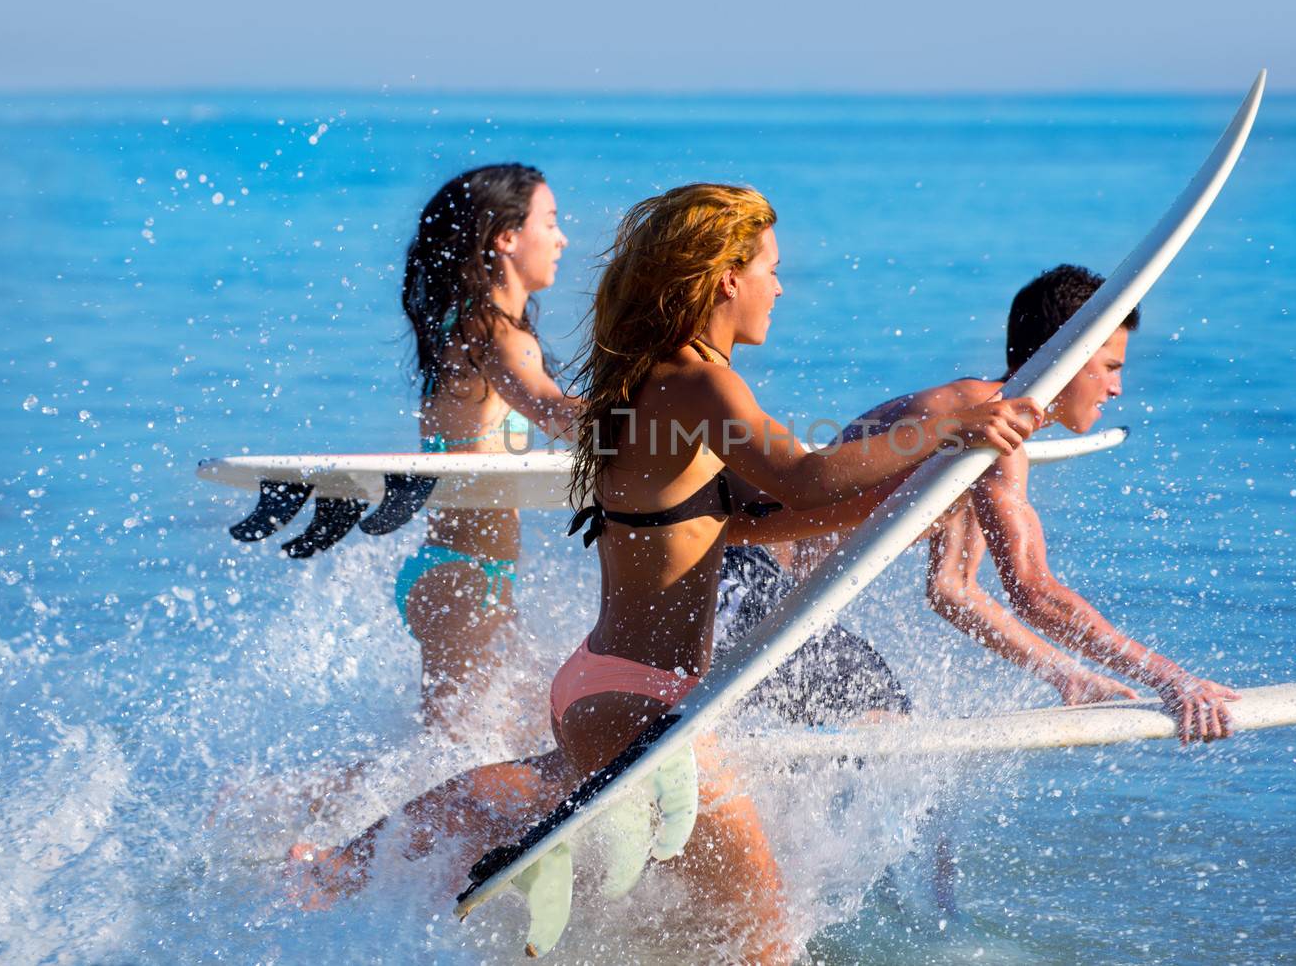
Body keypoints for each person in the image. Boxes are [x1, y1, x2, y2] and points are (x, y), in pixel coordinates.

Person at [291, 184, 1043, 962]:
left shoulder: (658, 379)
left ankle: (348, 867)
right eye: (771, 270)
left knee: (636, 885)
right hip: (645, 701)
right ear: (726, 278)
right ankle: (345, 867)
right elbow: (808, 476)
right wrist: (948, 423)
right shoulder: (697, 383)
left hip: (605, 684)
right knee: (765, 942)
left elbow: (755, 520)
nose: (781, 289)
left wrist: (908, 488)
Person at [722, 264, 1238, 745]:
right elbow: (1034, 591)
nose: (1117, 388)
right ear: (1069, 355)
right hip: (742, 580)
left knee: (882, 723)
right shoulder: (983, 424)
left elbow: (954, 590)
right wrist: (1174, 679)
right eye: (1108, 367)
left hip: (765, 593)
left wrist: (1070, 677)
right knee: (882, 719)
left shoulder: (980, 424)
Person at [397, 163, 582, 731]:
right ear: (506, 237)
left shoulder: (466, 325)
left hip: (465, 572)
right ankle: (285, 805)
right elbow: (556, 413)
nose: (562, 238)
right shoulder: (496, 333)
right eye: (549, 222)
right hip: (464, 578)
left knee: (491, 739)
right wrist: (674, 422)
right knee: (446, 759)